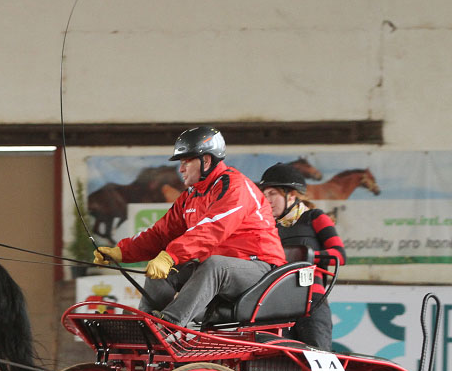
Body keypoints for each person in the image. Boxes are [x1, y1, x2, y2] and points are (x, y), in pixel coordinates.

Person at [93, 126, 286, 327]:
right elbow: (160, 233)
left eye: (186, 161)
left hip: (262, 269)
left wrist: (170, 256)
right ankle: (146, 324)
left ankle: (169, 324)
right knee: (167, 270)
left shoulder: (236, 187)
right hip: (221, 267)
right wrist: (121, 253)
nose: (181, 169)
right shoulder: (190, 197)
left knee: (214, 265)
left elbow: (212, 229)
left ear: (207, 161)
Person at [258, 162, 346, 350]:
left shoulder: (314, 217)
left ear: (291, 195)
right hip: (276, 303)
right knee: (272, 362)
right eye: (264, 195)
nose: (267, 200)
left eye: (272, 194)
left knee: (317, 356)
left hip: (312, 300)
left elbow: (339, 255)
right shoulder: (266, 228)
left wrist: (302, 256)